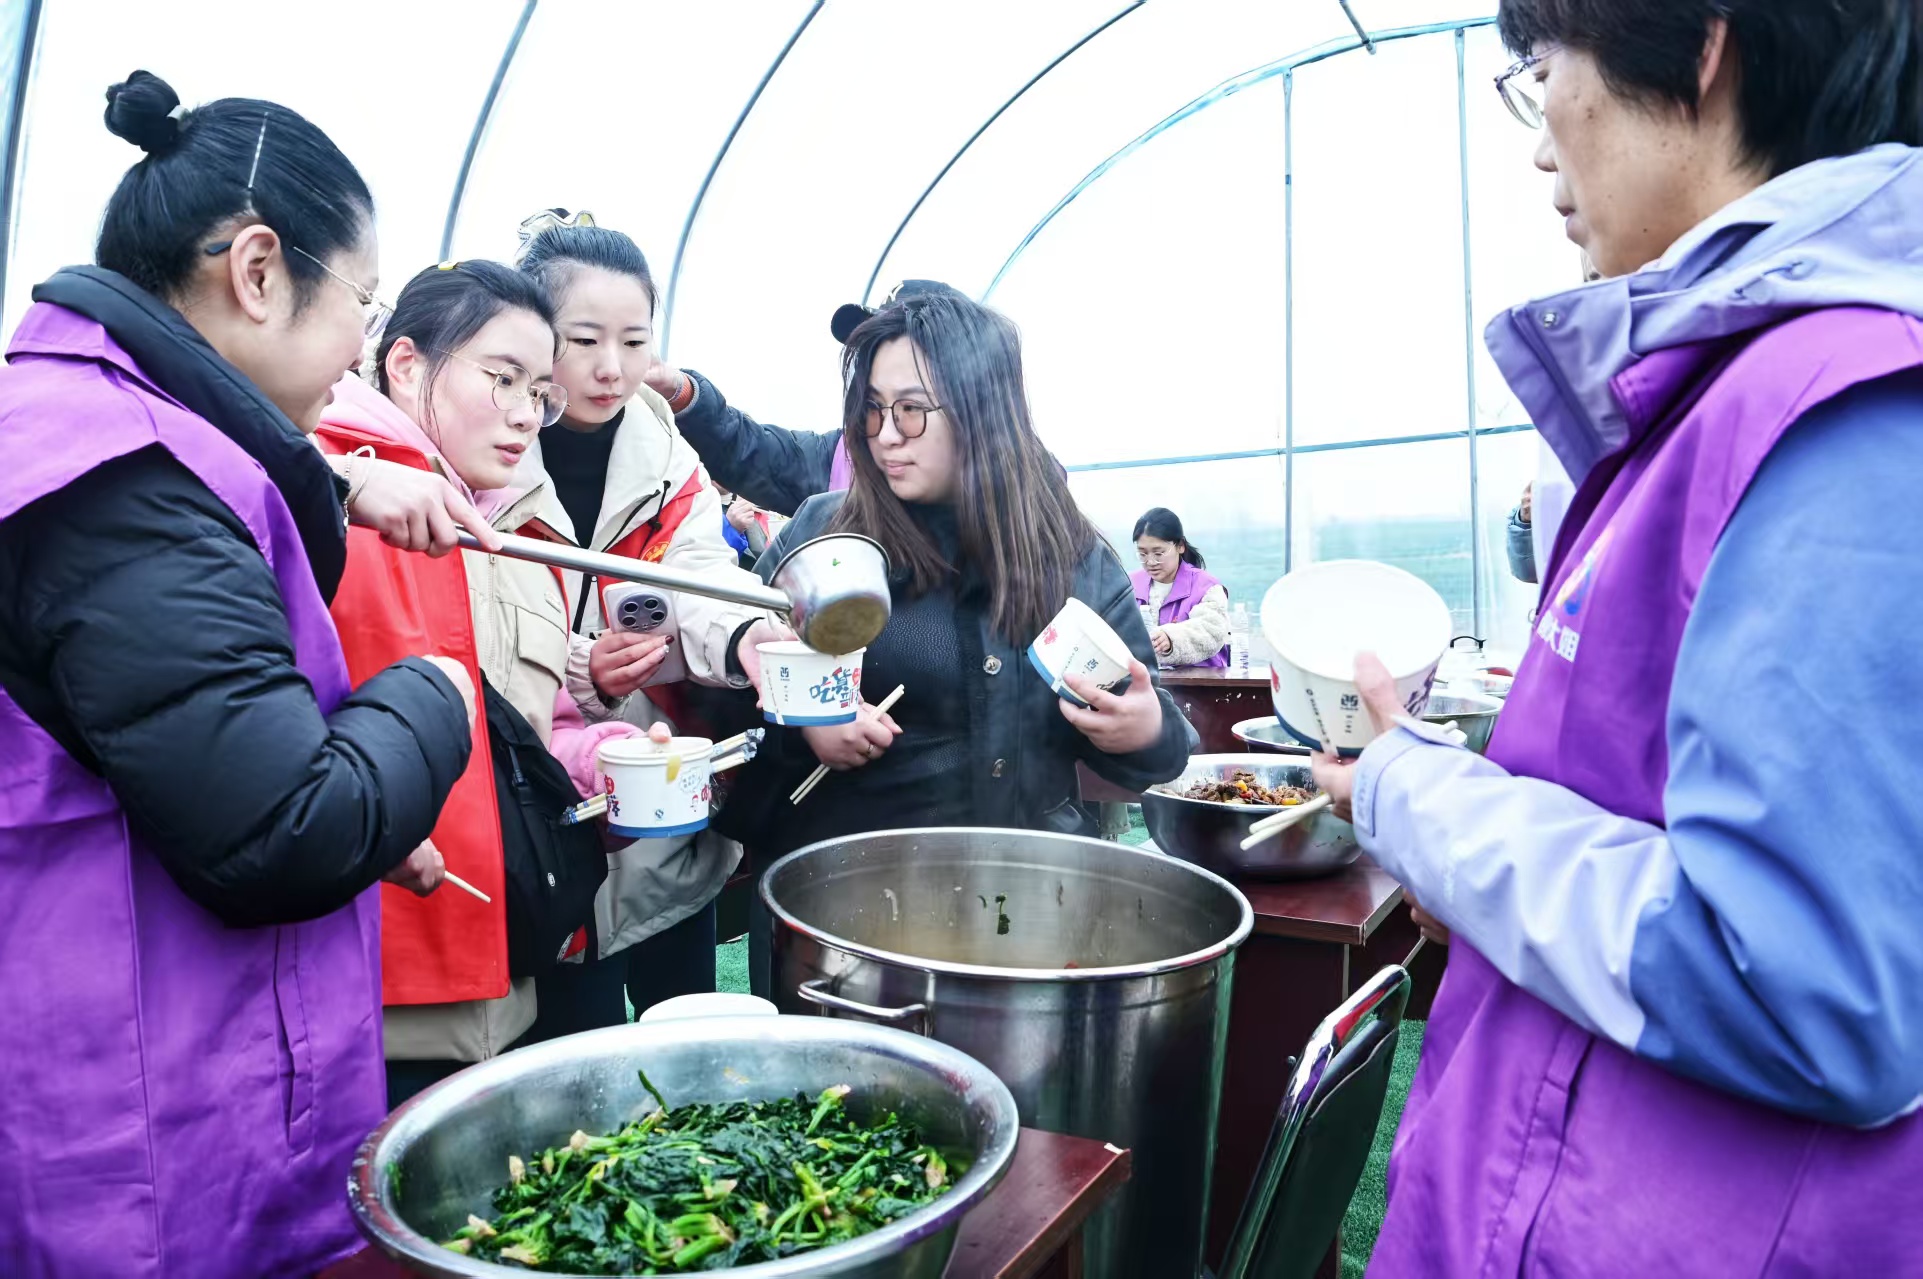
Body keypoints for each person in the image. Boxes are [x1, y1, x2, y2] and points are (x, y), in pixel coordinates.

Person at [1311, 5, 1923, 1275]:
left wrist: (1415, 795)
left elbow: (1798, 977)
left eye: (1543, 75)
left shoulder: (1843, 406)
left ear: (1701, 47)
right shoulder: (1738, 390)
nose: (1542, 145)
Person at [0, 73, 488, 1277]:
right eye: (359, 305)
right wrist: (435, 699)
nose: (362, 353)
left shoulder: (101, 431)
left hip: (162, 1074)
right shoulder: (124, 487)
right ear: (259, 272)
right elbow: (282, 827)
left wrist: (328, 479)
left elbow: (185, 744)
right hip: (134, 1135)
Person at [733, 291, 1196, 991]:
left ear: (982, 412)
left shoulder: (1066, 556)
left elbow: (1161, 747)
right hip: (840, 925)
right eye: (873, 409)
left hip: (1018, 923)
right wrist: (804, 719)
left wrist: (1141, 726)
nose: (886, 434)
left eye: (912, 409)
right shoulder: (826, 539)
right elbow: (732, 693)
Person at [317, 259, 657, 1105]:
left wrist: (609, 763)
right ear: (403, 364)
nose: (523, 414)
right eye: (500, 378)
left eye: (538, 391)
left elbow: (534, 736)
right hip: (367, 997)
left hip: (504, 984)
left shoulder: (510, 539)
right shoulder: (319, 494)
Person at [514, 212, 787, 1034]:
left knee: (688, 1037)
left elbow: (699, 568)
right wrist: (578, 667)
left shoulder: (667, 457)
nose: (610, 368)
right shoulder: (485, 449)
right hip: (552, 820)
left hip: (668, 810)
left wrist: (747, 634)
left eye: (634, 342)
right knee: (579, 1077)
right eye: (583, 339)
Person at [644, 280, 964, 515]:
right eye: (871, 347)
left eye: (911, 407)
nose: (887, 433)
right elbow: (747, 449)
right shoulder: (836, 459)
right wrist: (679, 390)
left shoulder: (1003, 507)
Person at [1130, 507, 1230, 668]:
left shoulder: (1207, 586)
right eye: (1143, 554)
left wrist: (1171, 639)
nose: (1150, 562)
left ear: (1180, 546)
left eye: (1158, 553)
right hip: (1145, 684)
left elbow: (1212, 631)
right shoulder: (1129, 585)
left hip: (1202, 686)